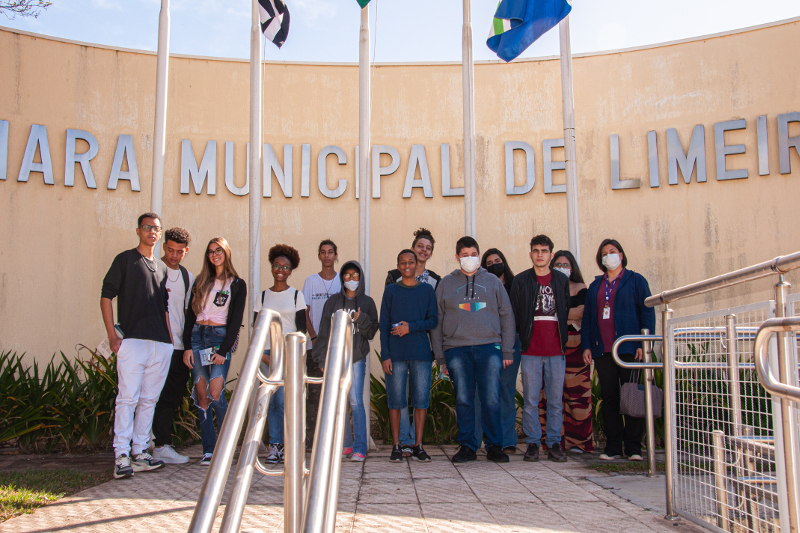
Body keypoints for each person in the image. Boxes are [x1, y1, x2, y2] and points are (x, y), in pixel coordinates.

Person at [431, 236, 516, 464]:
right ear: (457, 257)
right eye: (465, 255)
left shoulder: (493, 282)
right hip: (456, 350)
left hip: (489, 348)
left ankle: (494, 446)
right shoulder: (446, 284)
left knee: (491, 398)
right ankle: (467, 446)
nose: (470, 258)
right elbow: (437, 321)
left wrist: (507, 350)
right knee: (464, 399)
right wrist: (440, 357)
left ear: (479, 256)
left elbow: (507, 315)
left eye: (474, 254)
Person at [101, 212, 172, 479]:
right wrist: (112, 335)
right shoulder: (125, 259)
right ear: (138, 230)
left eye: (156, 228)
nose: (152, 232)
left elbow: (163, 306)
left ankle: (140, 451)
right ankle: (121, 454)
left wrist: (169, 339)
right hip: (132, 341)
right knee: (127, 398)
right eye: (147, 228)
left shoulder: (163, 267)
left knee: (149, 400)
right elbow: (106, 296)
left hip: (160, 344)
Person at [581, 239, 655, 461]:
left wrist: (644, 342)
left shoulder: (636, 280)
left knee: (633, 396)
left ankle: (633, 447)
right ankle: (613, 446)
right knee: (610, 397)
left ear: (621, 255)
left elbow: (647, 312)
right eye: (604, 253)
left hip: (630, 348)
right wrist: (586, 345)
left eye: (612, 252)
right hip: (603, 350)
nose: (608, 256)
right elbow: (587, 319)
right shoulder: (595, 285)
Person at [183, 237, 246, 466]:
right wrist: (187, 346)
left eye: (219, 250)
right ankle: (209, 449)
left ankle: (226, 446)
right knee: (202, 396)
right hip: (198, 337)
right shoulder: (201, 281)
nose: (214, 255)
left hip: (220, 339)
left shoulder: (237, 284)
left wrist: (225, 349)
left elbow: (236, 319)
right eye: (210, 251)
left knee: (216, 392)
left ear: (226, 253)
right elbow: (190, 316)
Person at [510, 235, 571, 463]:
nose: (540, 254)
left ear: (551, 255)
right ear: (530, 254)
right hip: (530, 351)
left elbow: (565, 309)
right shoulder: (521, 280)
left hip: (556, 350)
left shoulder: (560, 281)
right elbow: (515, 314)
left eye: (544, 250)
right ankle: (533, 444)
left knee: (555, 401)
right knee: (531, 402)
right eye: (535, 250)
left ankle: (554, 443)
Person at [312, 260, 378, 462]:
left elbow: (371, 332)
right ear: (342, 278)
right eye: (347, 275)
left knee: (356, 401)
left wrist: (361, 319)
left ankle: (360, 447)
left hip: (356, 357)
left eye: (355, 275)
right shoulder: (332, 302)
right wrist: (321, 358)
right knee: (339, 402)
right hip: (335, 358)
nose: (351, 279)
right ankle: (346, 445)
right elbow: (324, 332)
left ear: (361, 278)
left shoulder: (367, 302)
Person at [384, 228, 441, 456]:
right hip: (396, 353)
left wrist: (412, 327)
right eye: (403, 262)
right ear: (399, 265)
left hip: (420, 351)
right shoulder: (391, 287)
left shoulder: (430, 286)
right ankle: (399, 445)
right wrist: (386, 354)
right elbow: (384, 322)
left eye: (428, 248)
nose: (408, 265)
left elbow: (433, 319)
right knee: (396, 400)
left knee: (420, 400)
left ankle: (418, 445)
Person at [537, 251, 594, 454]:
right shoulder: (545, 288)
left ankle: (579, 442)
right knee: (551, 395)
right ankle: (553, 442)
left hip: (576, 347)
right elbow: (543, 311)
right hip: (551, 346)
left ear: (572, 267)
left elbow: (583, 312)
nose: (562, 268)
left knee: (577, 395)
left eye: (565, 264)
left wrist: (558, 312)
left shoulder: (581, 289)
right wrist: (568, 315)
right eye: (558, 264)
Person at [257, 244, 306, 465]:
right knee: (272, 402)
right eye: (277, 266)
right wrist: (263, 356)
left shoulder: (297, 296)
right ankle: (275, 445)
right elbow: (257, 329)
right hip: (267, 354)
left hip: (289, 353)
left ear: (291, 270)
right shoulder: (262, 296)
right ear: (271, 267)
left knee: (286, 401)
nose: (280, 270)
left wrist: (291, 356)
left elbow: (302, 330)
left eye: (285, 267)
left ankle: (289, 443)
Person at [151, 227, 194, 464]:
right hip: (155, 344)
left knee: (171, 397)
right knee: (148, 395)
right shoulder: (154, 270)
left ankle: (162, 444)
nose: (174, 255)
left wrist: (188, 346)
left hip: (178, 348)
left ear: (186, 251)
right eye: (170, 250)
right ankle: (143, 442)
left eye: (179, 252)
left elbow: (189, 314)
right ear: (163, 247)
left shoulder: (188, 277)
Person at [481, 248, 521, 454]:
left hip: (512, 344)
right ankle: (489, 439)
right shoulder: (483, 286)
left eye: (497, 260)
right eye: (489, 263)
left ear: (504, 261)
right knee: (488, 392)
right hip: (488, 343)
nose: (494, 265)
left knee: (506, 390)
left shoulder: (516, 285)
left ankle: (507, 439)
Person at [302, 240, 341, 447]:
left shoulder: (342, 282)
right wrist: (314, 337)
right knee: (314, 395)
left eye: (331, 252)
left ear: (336, 256)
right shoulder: (310, 281)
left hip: (337, 347)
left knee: (335, 393)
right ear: (319, 256)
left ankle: (334, 441)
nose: (327, 256)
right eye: (323, 252)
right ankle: (312, 441)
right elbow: (305, 313)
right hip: (314, 347)